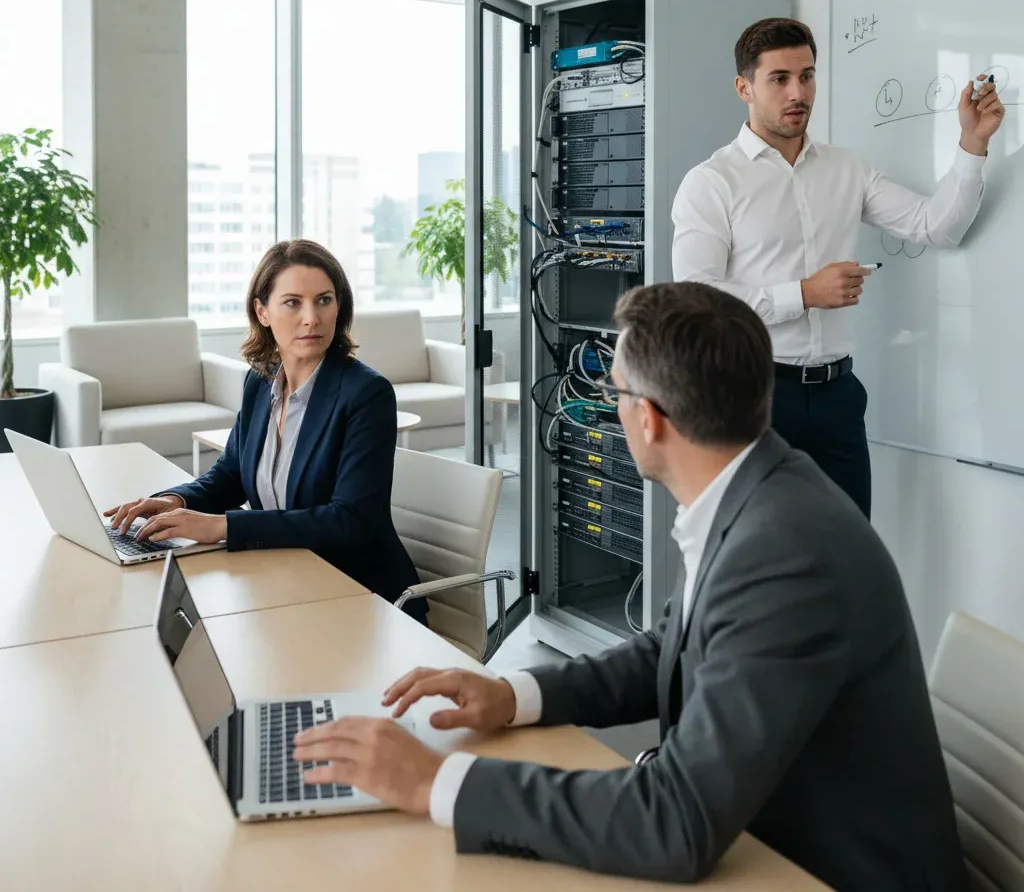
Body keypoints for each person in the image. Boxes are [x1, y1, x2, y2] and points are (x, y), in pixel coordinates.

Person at [292, 281, 968, 891]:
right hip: (768, 836)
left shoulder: (786, 551)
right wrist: (511, 695)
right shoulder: (757, 488)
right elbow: (667, 652)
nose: (611, 410)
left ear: (649, 418)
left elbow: (675, 825)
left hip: (826, 871)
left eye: (612, 392)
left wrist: (437, 781)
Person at [671, 17, 1006, 517]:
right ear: (744, 87)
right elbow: (698, 302)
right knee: (763, 558)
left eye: (806, 76)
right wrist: (803, 293)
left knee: (849, 558)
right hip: (751, 398)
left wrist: (972, 143)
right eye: (779, 79)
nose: (797, 92)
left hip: (837, 399)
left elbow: (937, 226)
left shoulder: (847, 168)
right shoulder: (712, 182)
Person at [105, 239, 425, 621]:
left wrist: (223, 527)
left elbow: (350, 521)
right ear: (263, 311)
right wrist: (176, 501)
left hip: (356, 594)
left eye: (324, 300)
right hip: (282, 579)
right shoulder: (260, 382)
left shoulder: (366, 395)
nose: (312, 318)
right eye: (293, 302)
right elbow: (230, 475)